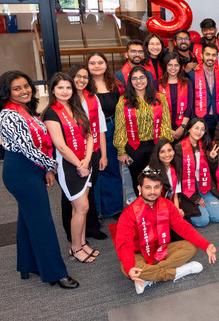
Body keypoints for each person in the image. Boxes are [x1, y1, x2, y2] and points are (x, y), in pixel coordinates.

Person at [0, 71, 78, 288]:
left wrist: (46, 170)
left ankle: (27, 263)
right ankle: (55, 273)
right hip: (21, 171)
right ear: (6, 92)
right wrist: (53, 166)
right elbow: (28, 149)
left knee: (27, 218)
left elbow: (42, 144)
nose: (24, 91)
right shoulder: (9, 114)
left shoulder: (26, 110)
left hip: (34, 168)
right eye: (17, 88)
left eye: (26, 86)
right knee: (43, 223)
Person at [116, 168, 218, 295]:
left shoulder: (167, 205)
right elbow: (124, 245)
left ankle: (149, 277)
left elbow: (184, 229)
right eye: (148, 187)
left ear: (161, 189)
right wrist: (130, 267)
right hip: (138, 254)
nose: (152, 192)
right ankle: (179, 271)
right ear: (139, 188)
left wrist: (206, 245)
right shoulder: (128, 214)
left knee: (192, 248)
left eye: (156, 187)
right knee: (128, 269)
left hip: (161, 249)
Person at [43, 73, 97, 263]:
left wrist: (87, 159)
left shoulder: (76, 108)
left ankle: (82, 243)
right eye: (60, 88)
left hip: (84, 162)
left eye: (68, 87)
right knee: (81, 207)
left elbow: (90, 134)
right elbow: (61, 146)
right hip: (68, 167)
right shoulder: (51, 112)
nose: (65, 91)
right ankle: (75, 248)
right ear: (53, 90)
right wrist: (79, 164)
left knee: (83, 207)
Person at [114, 66, 172, 196]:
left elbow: (165, 123)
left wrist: (164, 146)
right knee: (138, 180)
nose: (138, 81)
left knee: (154, 179)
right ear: (130, 82)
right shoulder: (123, 101)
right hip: (134, 147)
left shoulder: (159, 98)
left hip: (155, 146)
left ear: (147, 79)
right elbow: (120, 127)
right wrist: (121, 150)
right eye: (134, 78)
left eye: (141, 77)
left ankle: (156, 209)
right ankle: (142, 209)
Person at [66, 64, 107, 242]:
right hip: (72, 154)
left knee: (89, 190)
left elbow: (101, 128)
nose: (81, 80)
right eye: (77, 76)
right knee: (73, 194)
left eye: (84, 77)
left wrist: (103, 155)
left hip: (94, 150)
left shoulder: (92, 98)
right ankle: (72, 233)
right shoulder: (64, 99)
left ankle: (91, 226)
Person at [86, 51, 124, 217]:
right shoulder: (84, 86)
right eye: (92, 63)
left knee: (112, 168)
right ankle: (97, 211)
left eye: (100, 62)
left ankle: (113, 208)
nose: (96, 66)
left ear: (106, 64)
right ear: (87, 66)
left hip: (114, 128)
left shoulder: (115, 84)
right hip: (91, 132)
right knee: (95, 170)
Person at [175, 118, 219, 227]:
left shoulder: (204, 145)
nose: (199, 132)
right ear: (189, 129)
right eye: (196, 128)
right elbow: (178, 177)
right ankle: (195, 206)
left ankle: (205, 205)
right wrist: (196, 198)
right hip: (188, 189)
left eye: (202, 129)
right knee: (203, 221)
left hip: (204, 185)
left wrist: (212, 159)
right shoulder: (179, 148)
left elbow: (212, 171)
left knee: (218, 216)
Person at [189, 43, 219, 139]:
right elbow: (190, 99)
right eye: (207, 54)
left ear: (217, 57)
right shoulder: (192, 74)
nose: (210, 57)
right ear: (202, 56)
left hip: (218, 117)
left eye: (213, 55)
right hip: (200, 119)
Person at [157, 52, 194, 142]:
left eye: (176, 65)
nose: (173, 68)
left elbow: (189, 107)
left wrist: (182, 127)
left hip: (183, 127)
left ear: (180, 67)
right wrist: (167, 129)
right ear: (165, 66)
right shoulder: (157, 84)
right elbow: (155, 110)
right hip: (163, 129)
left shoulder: (187, 83)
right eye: (170, 65)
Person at [149, 139, 181, 213]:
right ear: (157, 154)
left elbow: (175, 196)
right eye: (162, 152)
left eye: (169, 150)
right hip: (150, 207)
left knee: (180, 214)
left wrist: (177, 212)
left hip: (165, 205)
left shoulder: (174, 169)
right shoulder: (150, 170)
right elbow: (147, 198)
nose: (167, 154)